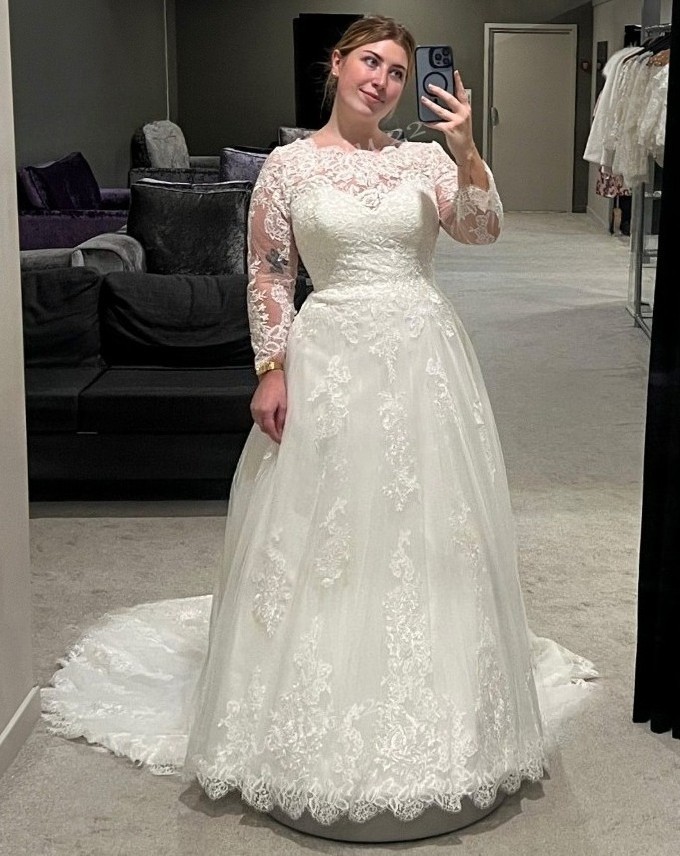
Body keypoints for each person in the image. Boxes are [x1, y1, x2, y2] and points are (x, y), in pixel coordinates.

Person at [43, 15, 596, 833]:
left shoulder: (422, 158)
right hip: (331, 351)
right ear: (336, 66)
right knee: (328, 524)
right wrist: (271, 369)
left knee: (427, 520)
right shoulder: (289, 167)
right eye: (370, 62)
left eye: (398, 71)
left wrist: (467, 149)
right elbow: (270, 274)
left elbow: (482, 229)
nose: (383, 81)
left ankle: (443, 689)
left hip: (423, 356)